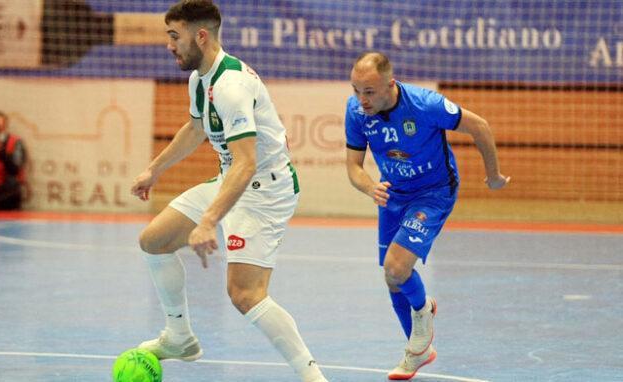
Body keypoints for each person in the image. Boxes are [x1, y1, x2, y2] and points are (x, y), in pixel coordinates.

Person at [130, 1, 327, 381]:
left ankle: (313, 377)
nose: (169, 44)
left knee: (245, 295)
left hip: (264, 191)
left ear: (200, 36)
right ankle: (179, 338)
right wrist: (154, 169)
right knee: (154, 240)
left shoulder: (231, 86)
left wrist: (208, 221)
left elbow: (246, 163)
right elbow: (195, 129)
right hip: (233, 177)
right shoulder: (199, 78)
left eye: (175, 36)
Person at [344, 53, 509, 380]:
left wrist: (494, 175)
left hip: (433, 192)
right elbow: (353, 166)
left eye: (370, 91)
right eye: (356, 90)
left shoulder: (424, 104)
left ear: (390, 84)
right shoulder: (357, 112)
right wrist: (369, 187)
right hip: (393, 195)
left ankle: (422, 314)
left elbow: (480, 126)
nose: (362, 99)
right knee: (392, 278)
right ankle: (417, 350)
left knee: (396, 266)